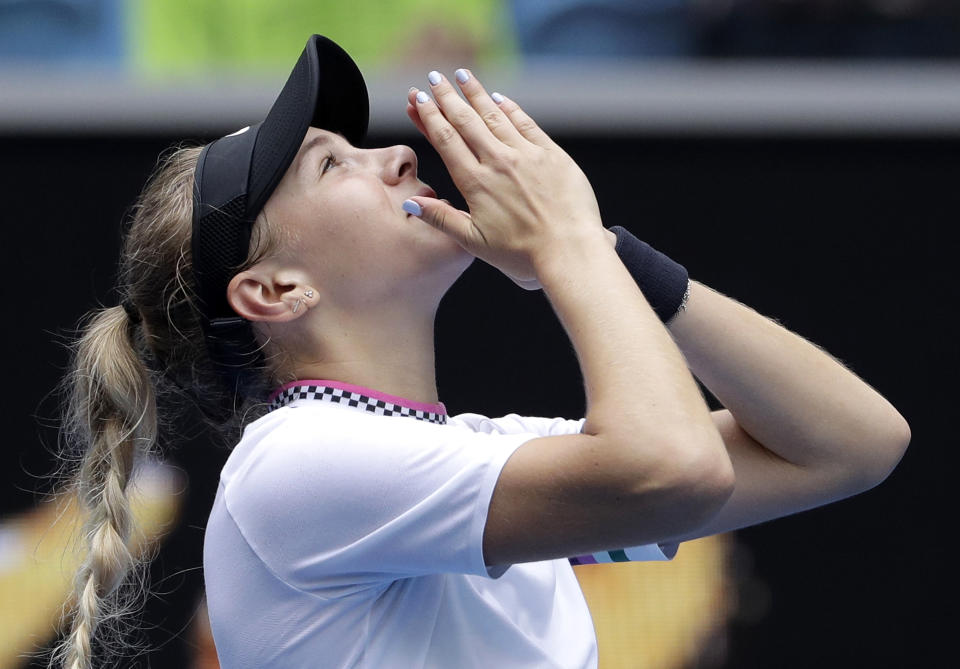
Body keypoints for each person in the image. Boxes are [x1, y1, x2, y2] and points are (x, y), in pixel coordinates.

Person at [52, 34, 910, 669]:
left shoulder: (471, 454)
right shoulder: (296, 463)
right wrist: (566, 246)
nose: (396, 155)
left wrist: (609, 256)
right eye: (330, 166)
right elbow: (674, 466)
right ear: (276, 292)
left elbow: (851, 444)